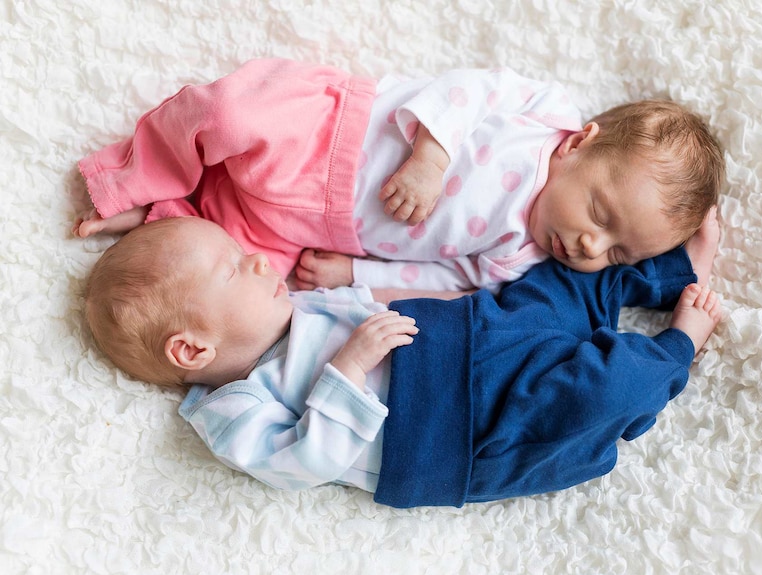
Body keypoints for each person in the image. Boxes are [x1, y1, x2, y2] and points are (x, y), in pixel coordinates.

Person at [82, 214, 721, 508]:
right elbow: (304, 464)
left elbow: (381, 297)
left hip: (467, 336)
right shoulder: (232, 409)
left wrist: (476, 303)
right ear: (193, 349)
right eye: (231, 269)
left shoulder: (296, 304)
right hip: (454, 438)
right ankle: (678, 345)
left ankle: (673, 274)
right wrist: (347, 372)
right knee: (590, 397)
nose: (255, 259)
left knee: (557, 285)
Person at [74, 58, 724, 293]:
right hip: (330, 135)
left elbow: (444, 279)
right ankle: (133, 174)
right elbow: (471, 89)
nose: (589, 247)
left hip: (310, 228)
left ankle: (154, 219)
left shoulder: (516, 256)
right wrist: (432, 156)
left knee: (232, 283)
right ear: (582, 144)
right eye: (602, 217)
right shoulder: (543, 115)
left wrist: (358, 273)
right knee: (230, 112)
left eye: (616, 254)